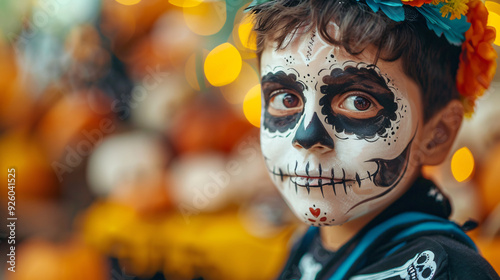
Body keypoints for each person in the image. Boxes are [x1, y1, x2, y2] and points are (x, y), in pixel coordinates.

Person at [249, 0, 499, 278]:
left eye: (358, 102)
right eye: (286, 99)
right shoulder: (306, 245)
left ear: (436, 136)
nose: (306, 137)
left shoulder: (444, 271)